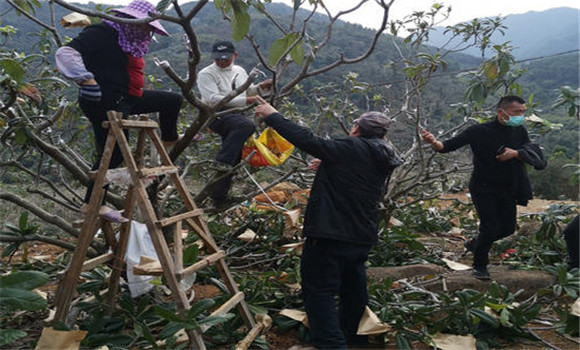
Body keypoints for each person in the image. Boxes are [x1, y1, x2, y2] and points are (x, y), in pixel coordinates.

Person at [255, 97, 403, 349]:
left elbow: (307, 140)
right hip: (361, 233)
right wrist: (330, 164)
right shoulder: (384, 153)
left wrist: (273, 115)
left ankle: (331, 345)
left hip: (330, 232)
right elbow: (355, 174)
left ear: (357, 129)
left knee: (319, 290)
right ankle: (354, 338)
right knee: (353, 289)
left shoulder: (349, 147)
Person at [55, 0, 183, 222]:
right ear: (131, 20)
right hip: (103, 101)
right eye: (145, 26)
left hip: (127, 99)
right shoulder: (103, 31)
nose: (146, 31)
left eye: (149, 28)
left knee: (172, 101)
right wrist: (87, 80)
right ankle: (92, 205)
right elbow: (67, 52)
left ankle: (170, 139)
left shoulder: (129, 40)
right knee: (111, 153)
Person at [422, 95, 547, 280]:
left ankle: (475, 244)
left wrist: (517, 154)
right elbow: (447, 146)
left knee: (507, 228)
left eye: (523, 112)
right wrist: (433, 142)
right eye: (516, 112)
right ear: (501, 112)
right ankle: (480, 265)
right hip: (483, 186)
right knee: (489, 227)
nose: (521, 116)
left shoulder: (519, 130)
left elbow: (528, 150)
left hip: (508, 187)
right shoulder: (478, 131)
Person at [197, 41, 273, 207]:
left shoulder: (239, 70)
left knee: (235, 156)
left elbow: (246, 90)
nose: (222, 62)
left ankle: (219, 198)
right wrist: (247, 100)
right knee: (246, 126)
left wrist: (260, 88)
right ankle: (221, 162)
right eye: (218, 59)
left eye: (226, 59)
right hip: (216, 114)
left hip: (236, 114)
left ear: (235, 56)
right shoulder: (206, 73)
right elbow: (212, 98)